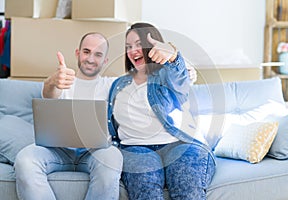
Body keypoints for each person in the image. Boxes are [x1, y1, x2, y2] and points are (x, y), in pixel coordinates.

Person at [107, 22, 216, 200]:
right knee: (146, 191)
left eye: (139, 44)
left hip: (178, 144)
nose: (133, 50)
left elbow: (181, 80)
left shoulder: (167, 75)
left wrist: (173, 55)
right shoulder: (117, 85)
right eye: (128, 46)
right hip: (135, 148)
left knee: (187, 187)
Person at [14, 32, 123, 200]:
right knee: (25, 159)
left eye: (98, 54)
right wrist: (52, 82)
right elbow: (49, 93)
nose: (91, 59)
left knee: (113, 156)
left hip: (95, 153)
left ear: (105, 61)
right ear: (77, 53)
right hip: (57, 151)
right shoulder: (62, 80)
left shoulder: (111, 85)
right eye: (86, 51)